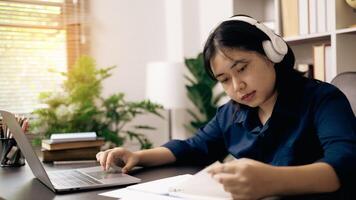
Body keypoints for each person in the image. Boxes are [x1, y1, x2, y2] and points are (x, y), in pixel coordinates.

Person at [96, 15, 356, 200]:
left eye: (242, 68)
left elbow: (345, 163)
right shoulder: (232, 112)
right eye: (224, 80)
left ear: (271, 54)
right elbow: (193, 147)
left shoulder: (322, 99)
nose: (237, 86)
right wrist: (138, 156)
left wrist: (273, 181)